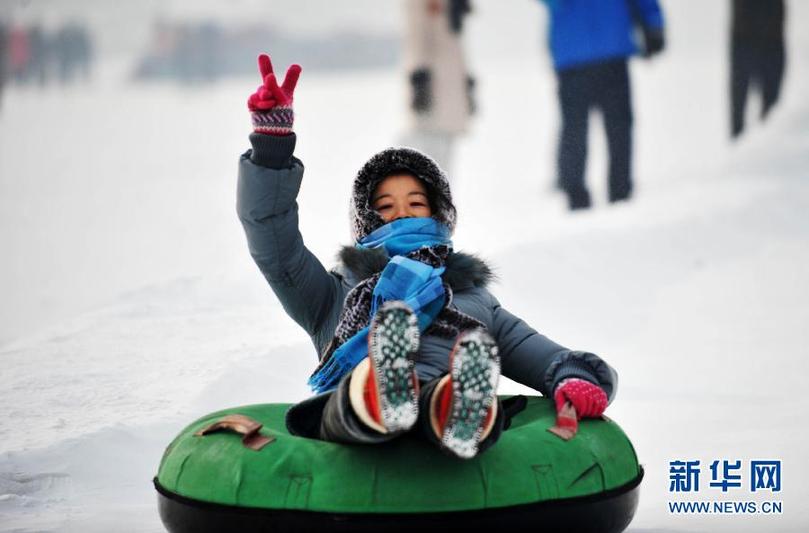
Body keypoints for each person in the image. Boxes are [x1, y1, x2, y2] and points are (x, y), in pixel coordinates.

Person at [237, 54, 618, 459]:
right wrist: (271, 152)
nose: (400, 213)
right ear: (365, 221)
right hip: (352, 425)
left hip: (445, 420)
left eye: (415, 203)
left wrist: (574, 377)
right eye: (384, 206)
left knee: (456, 394)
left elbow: (545, 356)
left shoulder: (474, 301)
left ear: (439, 216)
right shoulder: (334, 296)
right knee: (356, 396)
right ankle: (384, 390)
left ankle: (457, 407)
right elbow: (272, 240)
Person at [539, 0, 665, 210]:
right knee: (578, 128)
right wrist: (653, 23)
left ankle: (618, 194)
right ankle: (578, 194)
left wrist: (654, 24)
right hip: (584, 50)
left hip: (593, 49)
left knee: (611, 127)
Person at [400, 0, 475, 178]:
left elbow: (456, 44)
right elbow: (416, 36)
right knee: (427, 149)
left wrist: (467, 84)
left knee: (444, 153)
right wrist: (419, 78)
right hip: (431, 87)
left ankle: (441, 200)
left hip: (450, 85)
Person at [730, 0, 786, 139]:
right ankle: (741, 153)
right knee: (739, 106)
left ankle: (768, 147)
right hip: (744, 36)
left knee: (772, 108)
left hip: (772, 37)